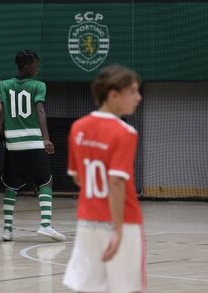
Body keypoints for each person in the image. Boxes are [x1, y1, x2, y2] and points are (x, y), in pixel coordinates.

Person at [63, 65, 145, 292]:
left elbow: (79, 178)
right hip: (122, 222)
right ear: (113, 94)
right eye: (134, 92)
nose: (138, 98)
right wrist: (117, 230)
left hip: (87, 221)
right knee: (126, 287)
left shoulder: (78, 127)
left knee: (90, 287)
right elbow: (116, 182)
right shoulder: (125, 133)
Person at [0, 50, 66, 242]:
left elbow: (1, 115)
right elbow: (40, 110)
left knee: (11, 185)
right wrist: (46, 138)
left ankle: (7, 230)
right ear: (27, 65)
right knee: (45, 182)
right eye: (35, 65)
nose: (37, 68)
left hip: (13, 145)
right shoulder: (38, 85)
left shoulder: (4, 85)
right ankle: (45, 225)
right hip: (33, 142)